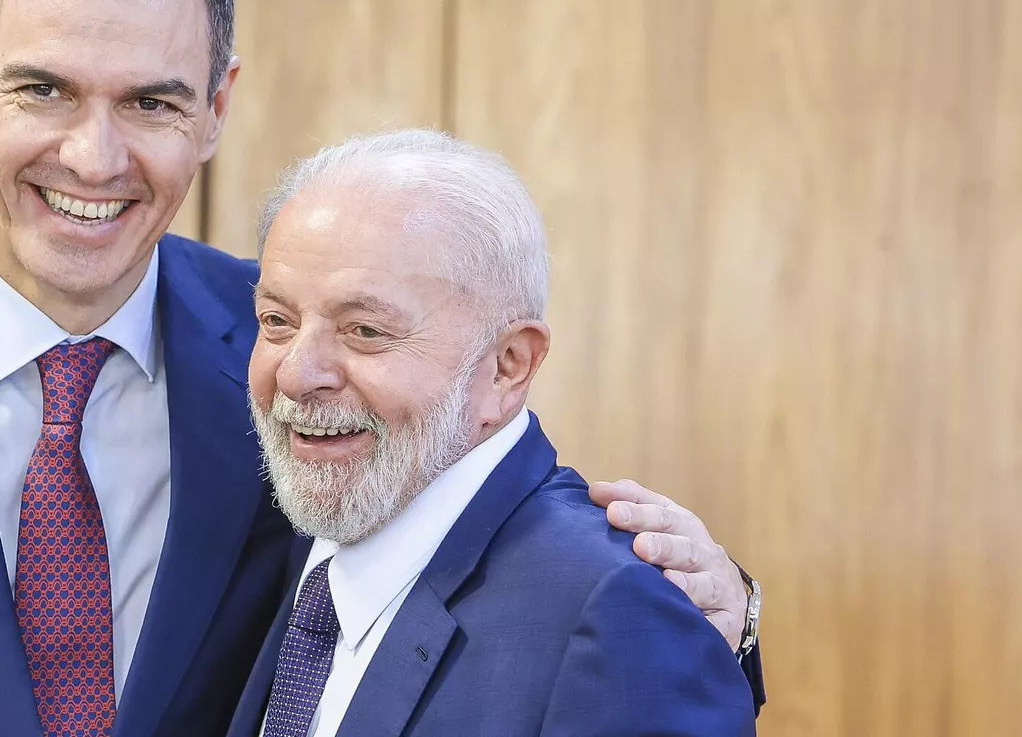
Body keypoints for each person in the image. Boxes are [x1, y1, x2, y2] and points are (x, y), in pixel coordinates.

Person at [0, 0, 763, 734]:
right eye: (45, 89)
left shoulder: (296, 358)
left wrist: (713, 609)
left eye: (152, 102)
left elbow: (492, 551)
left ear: (219, 107)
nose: (94, 157)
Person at [225, 129, 756, 737]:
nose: (296, 374)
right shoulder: (291, 533)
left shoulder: (615, 612)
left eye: (365, 330)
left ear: (508, 365)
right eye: (277, 321)